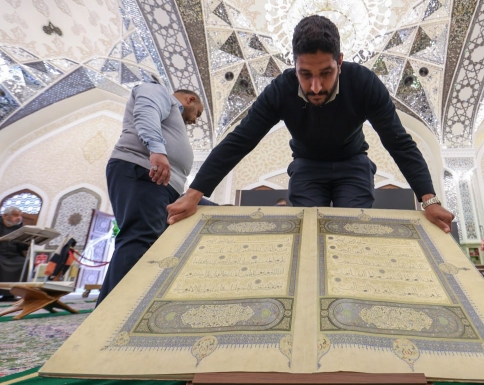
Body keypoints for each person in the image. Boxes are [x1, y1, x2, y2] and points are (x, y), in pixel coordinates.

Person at [167, 15, 453, 232]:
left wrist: (429, 200)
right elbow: (240, 140)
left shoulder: (364, 83)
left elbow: (399, 142)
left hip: (353, 163)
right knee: (307, 231)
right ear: (294, 66)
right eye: (305, 74)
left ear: (340, 62)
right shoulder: (281, 90)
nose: (316, 87)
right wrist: (193, 195)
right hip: (307, 165)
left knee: (353, 229)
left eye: (326, 73)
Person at [97, 82, 204, 306]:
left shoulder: (172, 113)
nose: (195, 120)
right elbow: (146, 110)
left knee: (154, 243)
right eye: (198, 113)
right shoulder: (158, 91)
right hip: (145, 171)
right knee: (140, 239)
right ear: (190, 100)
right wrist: (157, 150)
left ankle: (136, 308)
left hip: (161, 184)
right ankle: (113, 314)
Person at [0, 206, 28, 300]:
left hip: (14, 255)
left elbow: (22, 247)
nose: (19, 218)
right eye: (16, 215)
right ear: (5, 215)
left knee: (24, 263)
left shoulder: (20, 228)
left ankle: (10, 294)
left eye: (20, 215)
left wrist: (28, 242)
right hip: (0, 255)